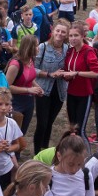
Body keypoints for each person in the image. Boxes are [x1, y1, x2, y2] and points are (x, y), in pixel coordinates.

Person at [33, 20, 70, 153]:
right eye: (58, 30)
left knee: (49, 123)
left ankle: (44, 150)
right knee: (42, 124)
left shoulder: (68, 49)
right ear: (53, 31)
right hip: (43, 90)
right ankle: (37, 152)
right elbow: (33, 69)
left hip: (60, 91)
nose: (60, 34)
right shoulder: (43, 47)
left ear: (67, 34)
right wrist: (49, 74)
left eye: (63, 32)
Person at [6, 35, 43, 136]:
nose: (38, 48)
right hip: (15, 103)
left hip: (29, 103)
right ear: (29, 47)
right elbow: (7, 86)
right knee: (13, 136)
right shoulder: (15, 64)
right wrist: (28, 90)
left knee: (22, 135)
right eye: (36, 45)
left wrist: (37, 87)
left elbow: (30, 78)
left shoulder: (31, 60)